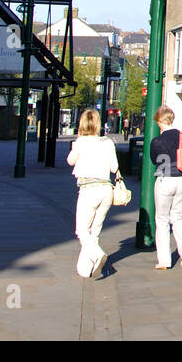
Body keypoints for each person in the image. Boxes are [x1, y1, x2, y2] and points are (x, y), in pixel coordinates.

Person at [66, 110, 120, 279]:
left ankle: (97, 255)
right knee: (94, 231)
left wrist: (78, 146)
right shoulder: (108, 143)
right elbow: (114, 168)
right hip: (106, 190)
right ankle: (85, 269)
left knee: (82, 230)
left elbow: (70, 160)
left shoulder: (81, 142)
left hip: (89, 189)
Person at [149, 104, 182, 270]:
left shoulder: (156, 141)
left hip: (165, 180)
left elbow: (154, 160)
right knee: (179, 217)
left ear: (159, 122)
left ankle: (164, 261)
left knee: (162, 220)